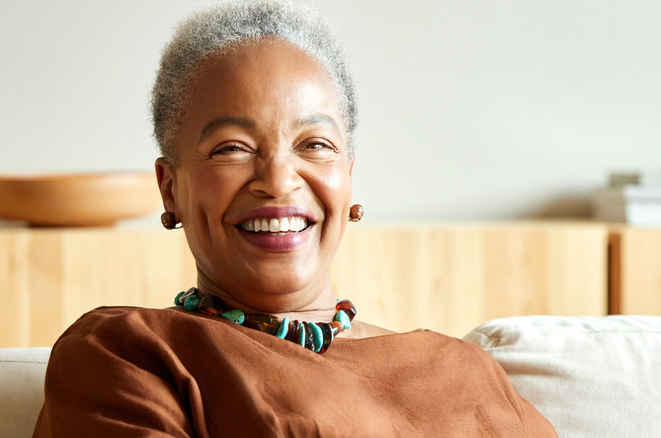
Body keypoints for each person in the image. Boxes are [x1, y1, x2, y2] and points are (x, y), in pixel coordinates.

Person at [33, 1, 557, 436]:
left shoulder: (466, 371)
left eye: (315, 144)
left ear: (348, 179)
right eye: (232, 148)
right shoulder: (129, 354)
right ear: (169, 187)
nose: (279, 179)